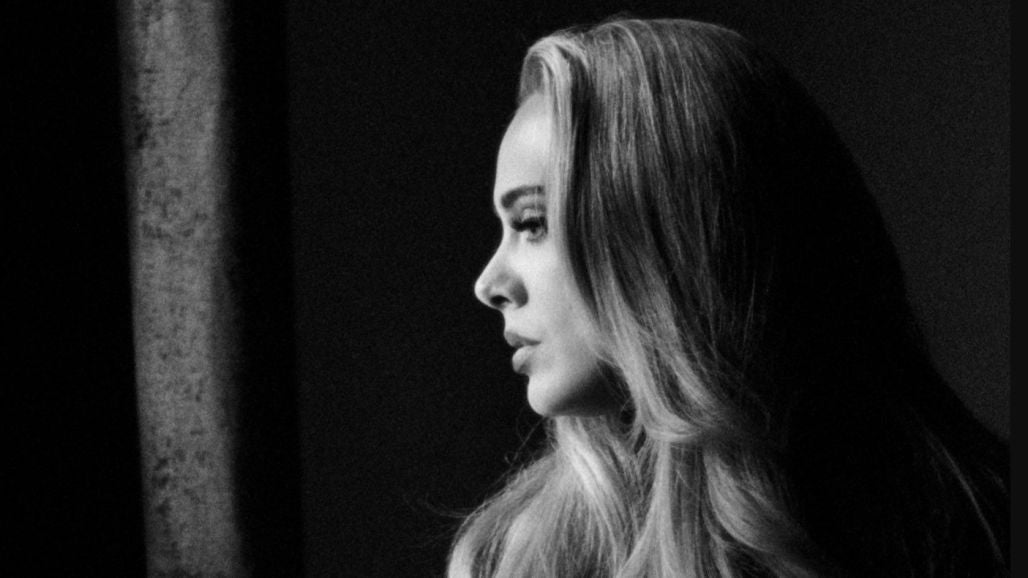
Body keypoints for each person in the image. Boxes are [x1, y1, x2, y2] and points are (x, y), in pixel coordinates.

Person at [451, 17, 1008, 578]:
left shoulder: (971, 529)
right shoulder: (514, 556)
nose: (489, 284)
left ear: (664, 238)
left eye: (533, 224)